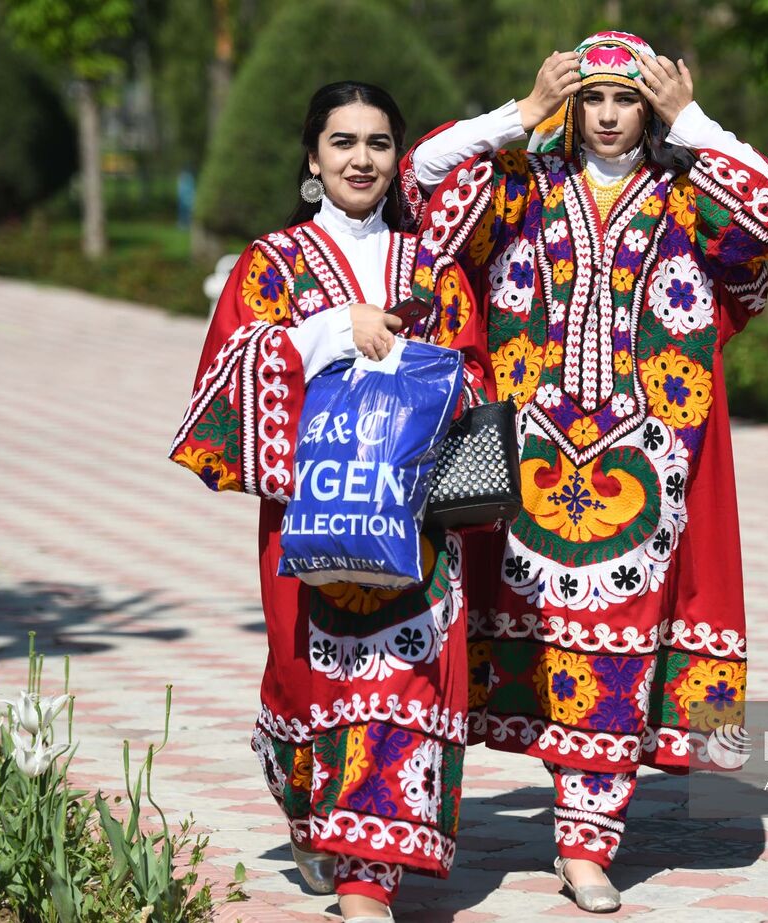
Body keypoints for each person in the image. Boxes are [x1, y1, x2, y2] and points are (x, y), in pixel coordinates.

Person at [400, 31, 768, 913]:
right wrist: (519, 113)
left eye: (629, 99)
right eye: (594, 97)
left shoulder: (686, 195)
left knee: (619, 644)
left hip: (650, 464)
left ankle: (587, 846)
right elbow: (419, 185)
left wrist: (694, 122)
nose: (611, 115)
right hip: (525, 457)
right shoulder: (521, 186)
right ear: (571, 103)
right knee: (539, 635)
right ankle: (527, 816)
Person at [169, 82, 509, 922]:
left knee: (398, 689)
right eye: (343, 142)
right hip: (312, 519)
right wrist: (329, 332)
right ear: (312, 157)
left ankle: (368, 884)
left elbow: (474, 373)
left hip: (417, 522)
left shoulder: (432, 266)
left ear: (399, 159)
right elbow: (226, 372)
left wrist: (415, 365)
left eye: (380, 144)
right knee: (302, 692)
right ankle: (303, 790)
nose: (363, 159)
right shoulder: (272, 263)